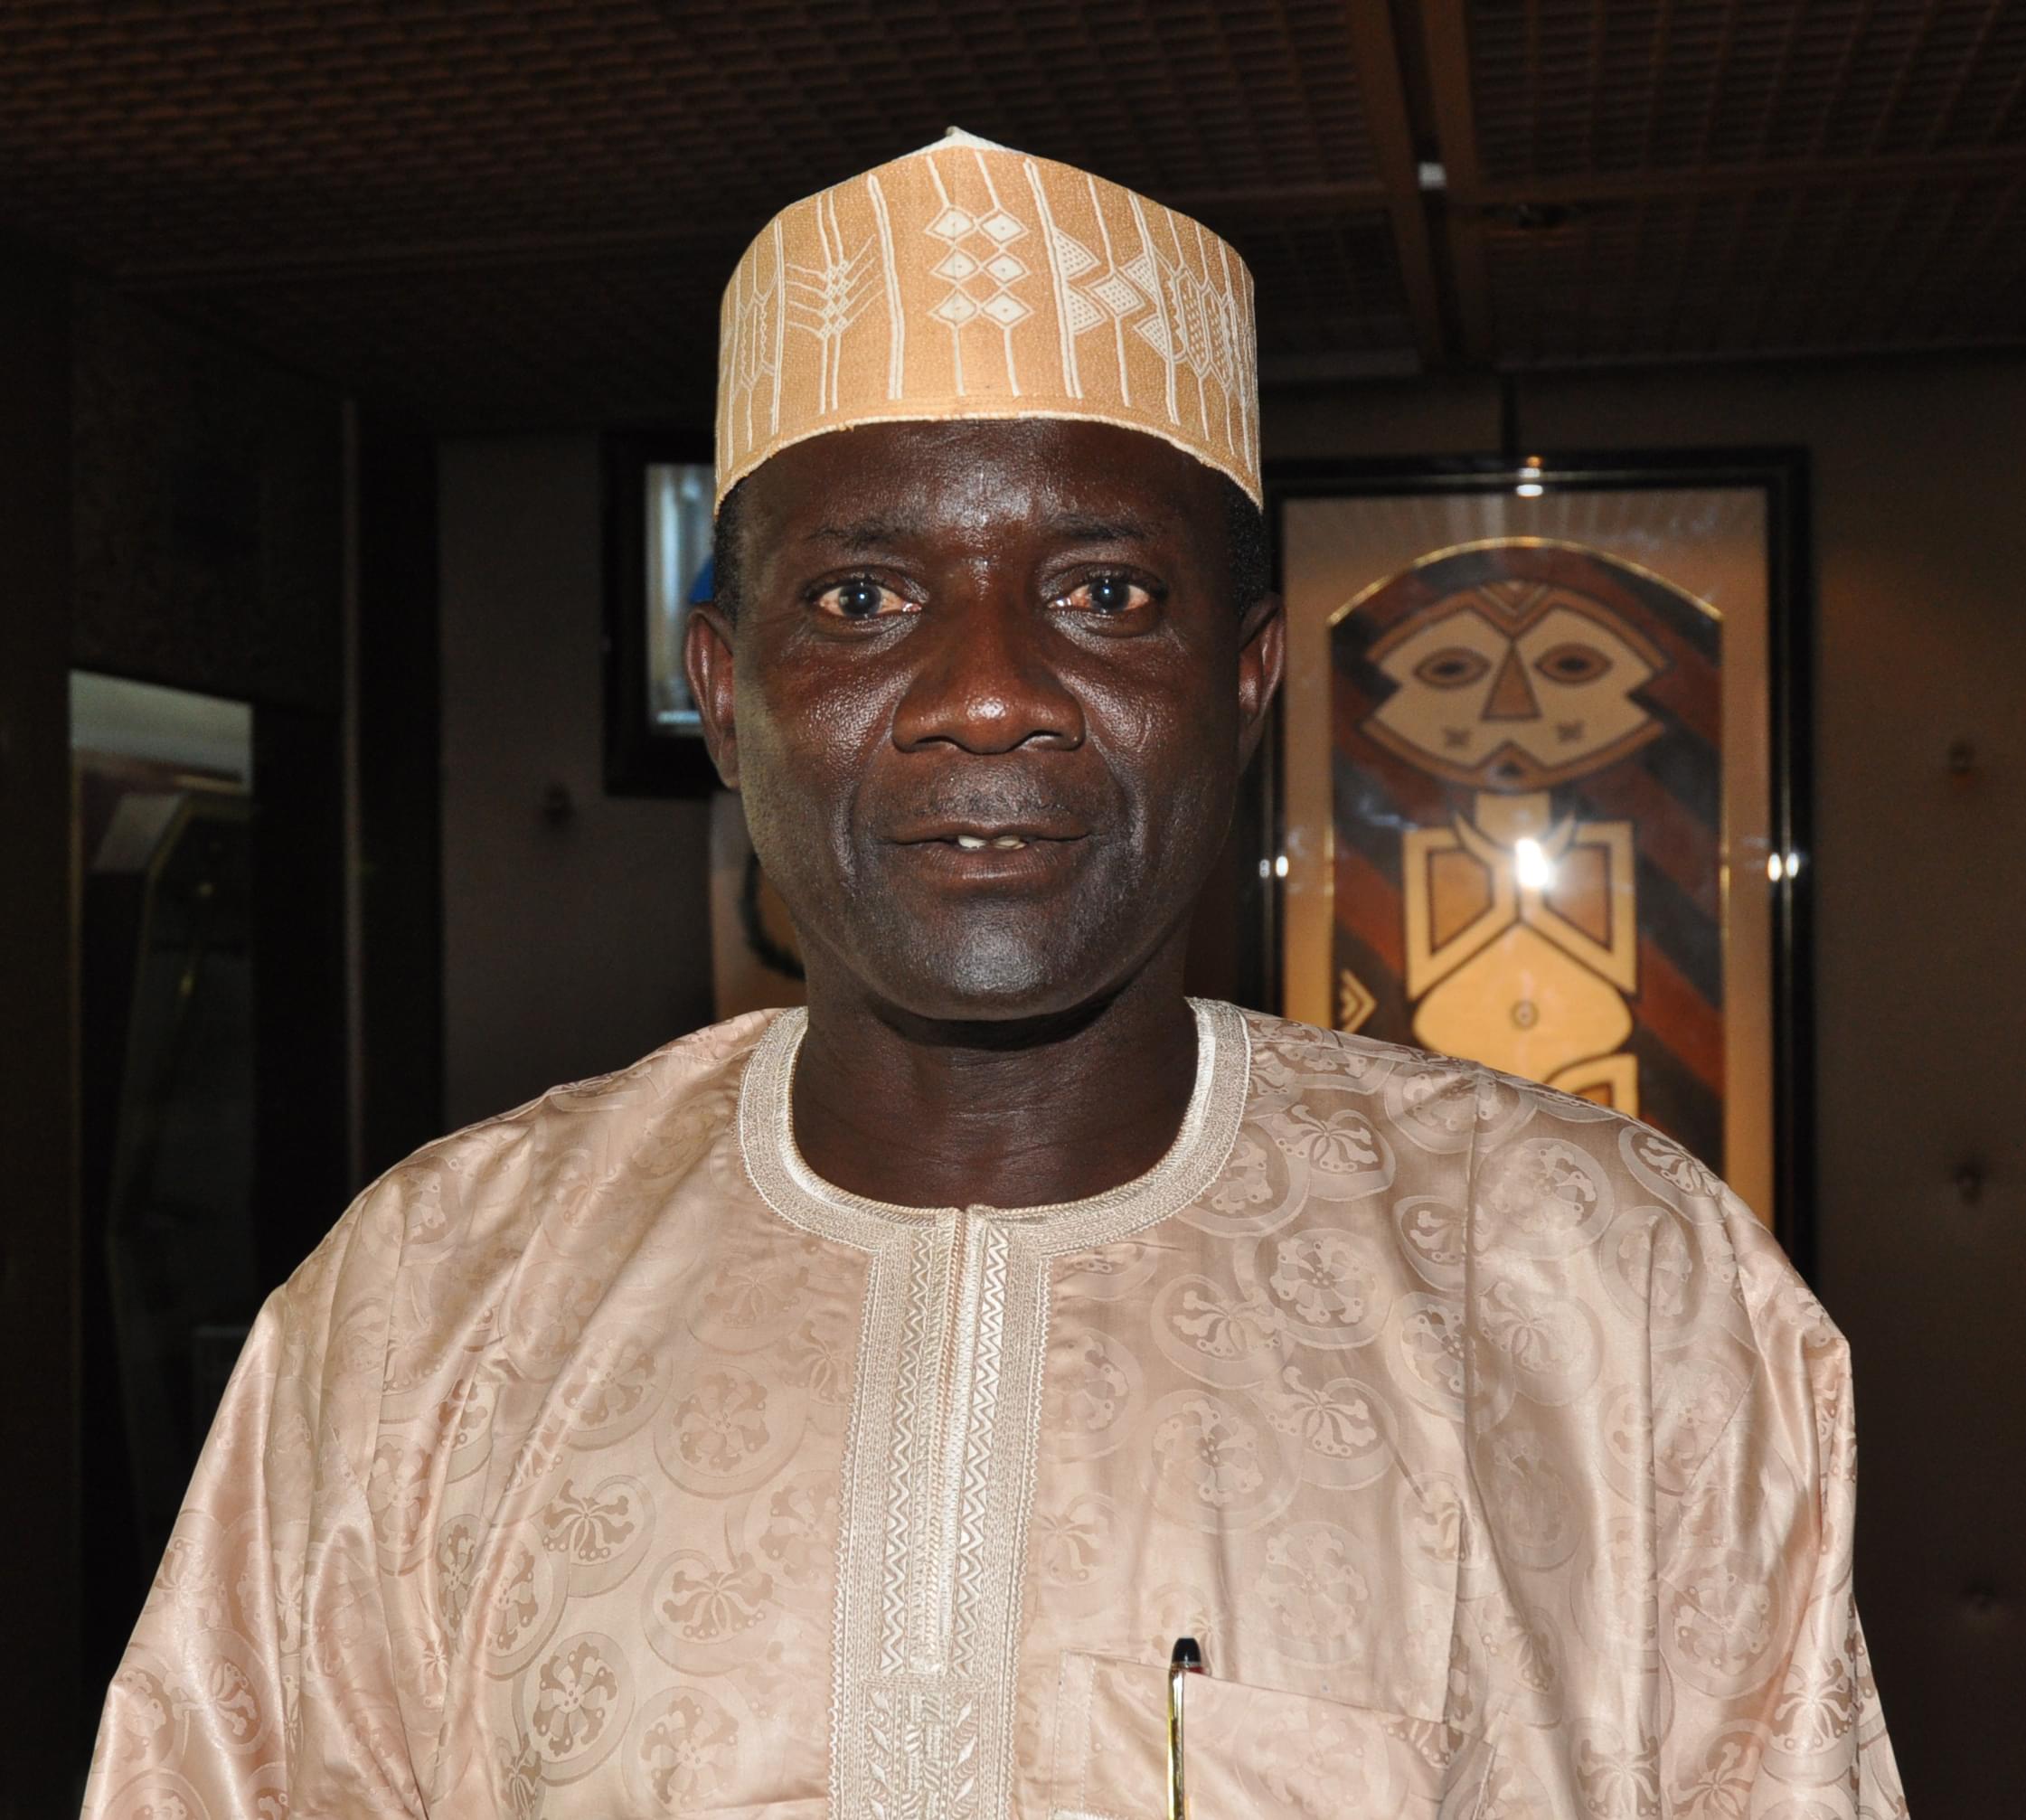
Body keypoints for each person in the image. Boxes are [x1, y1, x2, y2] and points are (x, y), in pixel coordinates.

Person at [84, 129, 1903, 1820]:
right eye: (859, 599)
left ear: (1246, 682)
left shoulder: (1606, 1289)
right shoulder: (426, 1305)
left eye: (1103, 593)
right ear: (723, 693)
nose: (984, 691)